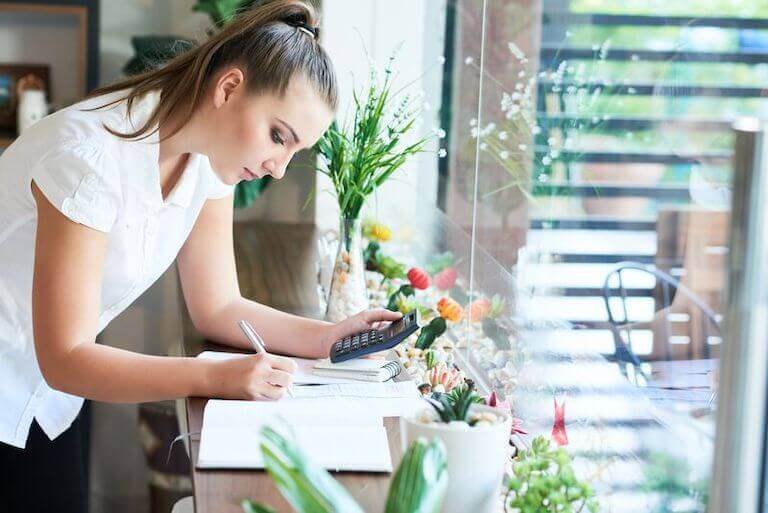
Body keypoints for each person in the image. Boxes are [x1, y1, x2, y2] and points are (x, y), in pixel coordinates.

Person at [0, 1, 401, 511]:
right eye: (278, 136)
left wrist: (325, 338)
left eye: (294, 152)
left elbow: (217, 305)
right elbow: (67, 358)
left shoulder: (211, 158)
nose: (279, 168)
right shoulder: (89, 160)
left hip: (46, 400)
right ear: (228, 88)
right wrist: (214, 376)